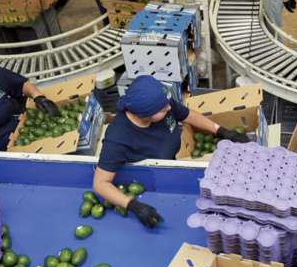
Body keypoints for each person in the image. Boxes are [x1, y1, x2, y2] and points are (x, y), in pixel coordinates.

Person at [93, 76, 250, 228]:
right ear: (145, 114)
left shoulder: (162, 104)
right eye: (163, 109)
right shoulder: (118, 138)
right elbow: (100, 183)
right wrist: (132, 205)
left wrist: (220, 131)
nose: (169, 108)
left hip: (172, 164)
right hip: (154, 181)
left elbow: (188, 115)